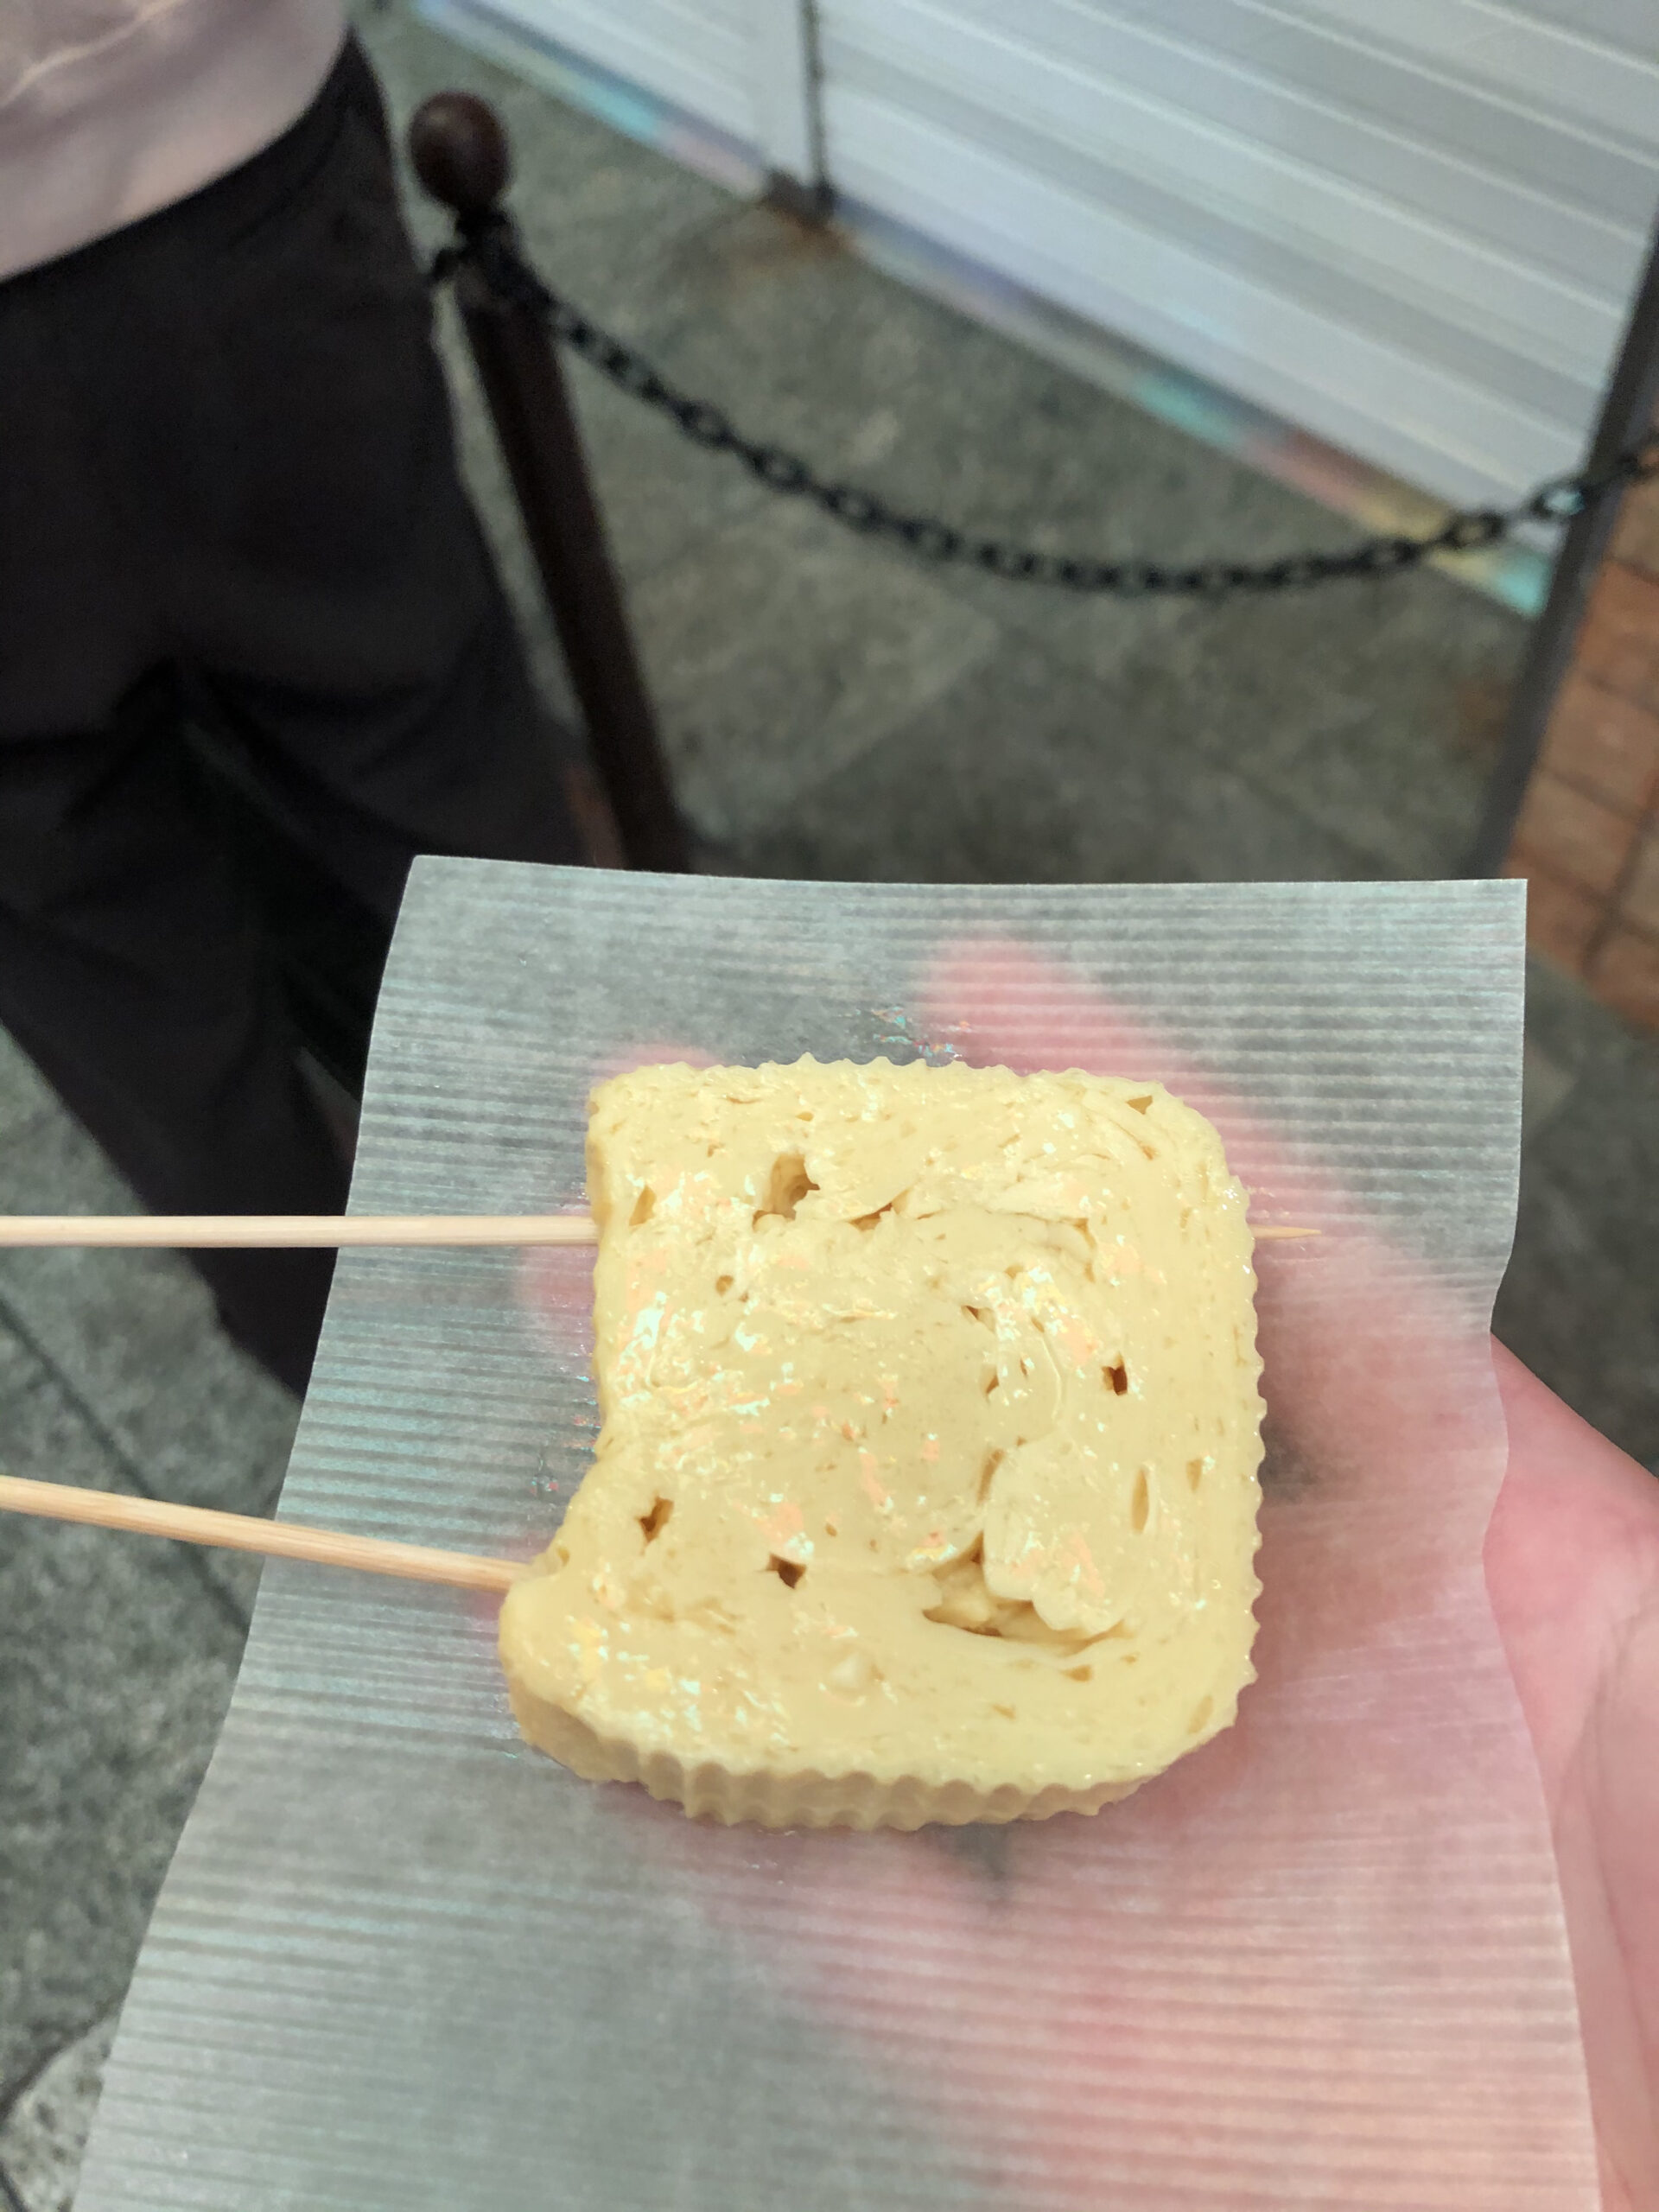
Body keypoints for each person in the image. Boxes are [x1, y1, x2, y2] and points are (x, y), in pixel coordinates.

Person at [0, 2, 583, 1394]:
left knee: (102, 953)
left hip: (231, 153)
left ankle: (365, 1399)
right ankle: (690, 1289)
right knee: (444, 783)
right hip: (223, 150)